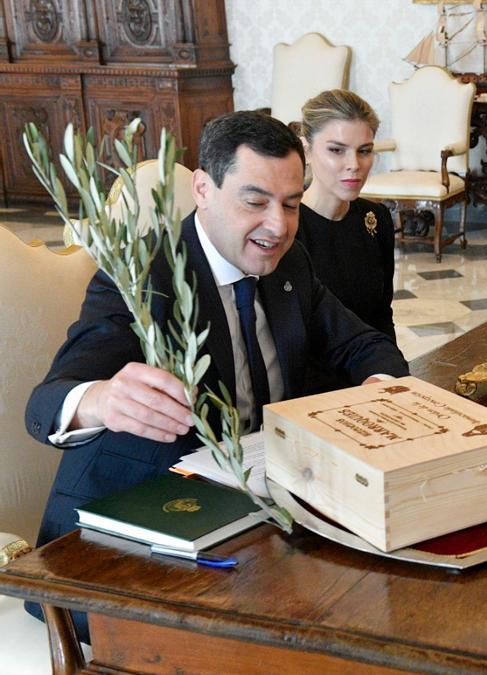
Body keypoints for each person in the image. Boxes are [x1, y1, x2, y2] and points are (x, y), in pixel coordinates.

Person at [24, 111, 409, 642]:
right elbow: (46, 404)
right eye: (255, 202)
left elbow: (364, 345)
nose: (278, 225)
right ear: (203, 189)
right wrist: (102, 400)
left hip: (256, 527)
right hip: (128, 552)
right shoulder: (143, 279)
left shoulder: (288, 265)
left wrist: (379, 393)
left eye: (292, 204)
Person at [296, 89, 396, 343]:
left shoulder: (376, 218)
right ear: (306, 151)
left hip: (373, 371)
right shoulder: (287, 226)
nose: (354, 164)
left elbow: (382, 317)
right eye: (337, 150)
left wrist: (393, 374)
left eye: (364, 151)